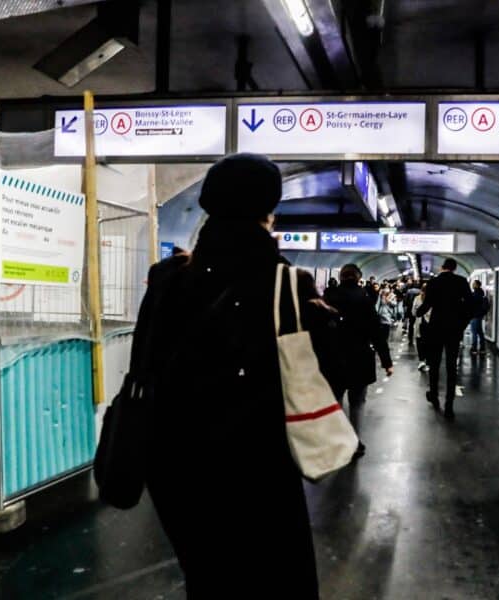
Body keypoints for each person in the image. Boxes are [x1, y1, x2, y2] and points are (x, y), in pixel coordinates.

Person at [138, 153, 336, 598]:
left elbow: (146, 360)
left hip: (174, 462)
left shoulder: (167, 277)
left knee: (207, 579)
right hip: (258, 467)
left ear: (206, 204)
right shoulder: (287, 284)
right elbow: (319, 373)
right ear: (269, 212)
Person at [323, 264, 393, 458]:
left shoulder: (328, 296)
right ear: (358, 277)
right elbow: (376, 332)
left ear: (341, 276)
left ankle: (336, 440)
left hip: (333, 357)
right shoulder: (364, 298)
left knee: (335, 401)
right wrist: (386, 361)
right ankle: (354, 442)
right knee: (357, 402)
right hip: (359, 357)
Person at [415, 258, 473, 420]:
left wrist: (417, 313)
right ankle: (449, 405)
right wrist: (462, 323)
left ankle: (433, 395)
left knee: (434, 363)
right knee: (451, 366)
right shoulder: (461, 282)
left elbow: (427, 304)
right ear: (454, 268)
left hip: (436, 328)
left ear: (442, 268)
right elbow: (469, 305)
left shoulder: (434, 282)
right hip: (454, 330)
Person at [412, 283, 431, 371]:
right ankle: (428, 361)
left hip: (420, 323)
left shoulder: (417, 298)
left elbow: (413, 312)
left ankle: (421, 361)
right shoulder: (433, 299)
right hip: (430, 324)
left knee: (420, 342)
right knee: (429, 343)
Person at [469, 279, 489, 354]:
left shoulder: (475, 294)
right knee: (480, 332)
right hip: (479, 316)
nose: (472, 285)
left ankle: (474, 348)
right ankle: (482, 348)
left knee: (474, 332)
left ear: (477, 285)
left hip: (474, 316)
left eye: (474, 284)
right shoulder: (482, 293)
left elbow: (471, 305)